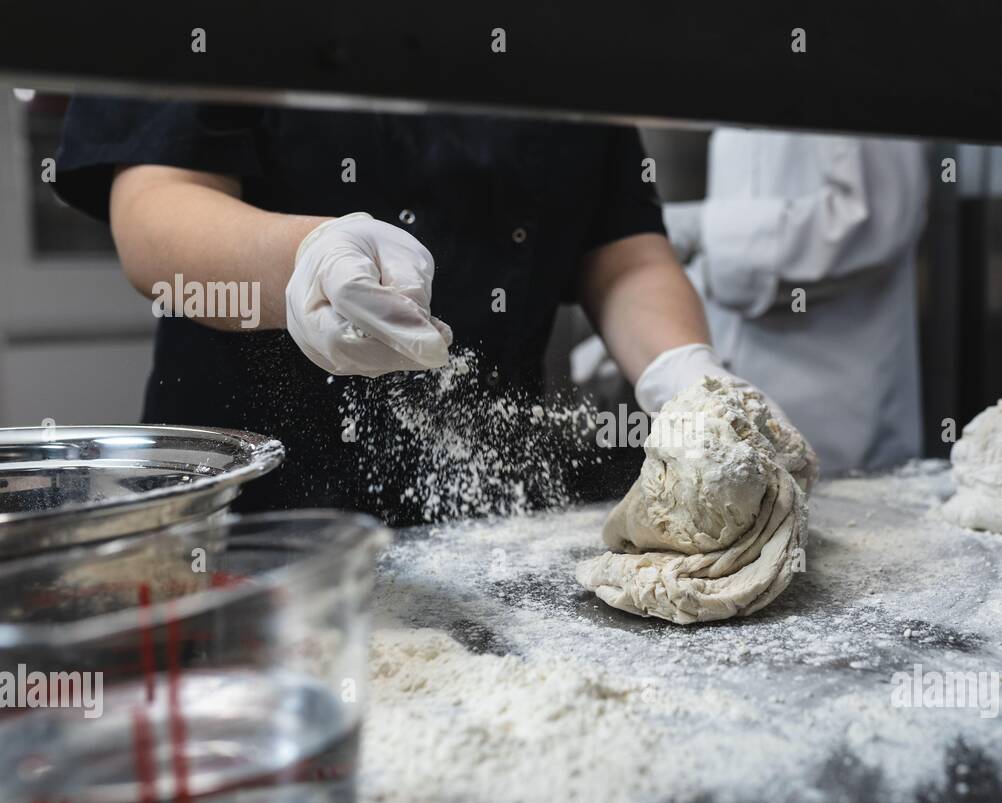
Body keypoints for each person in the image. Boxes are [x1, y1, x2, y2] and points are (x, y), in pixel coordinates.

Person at [54, 98, 805, 521]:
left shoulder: (571, 35)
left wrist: (686, 373)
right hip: (249, 522)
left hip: (488, 511)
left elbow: (627, 255)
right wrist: (307, 261)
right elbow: (155, 212)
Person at [663, 129, 928, 473]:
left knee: (847, 516)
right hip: (744, 401)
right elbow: (734, 270)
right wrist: (671, 327)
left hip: (841, 419)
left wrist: (704, 227)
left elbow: (873, 219)